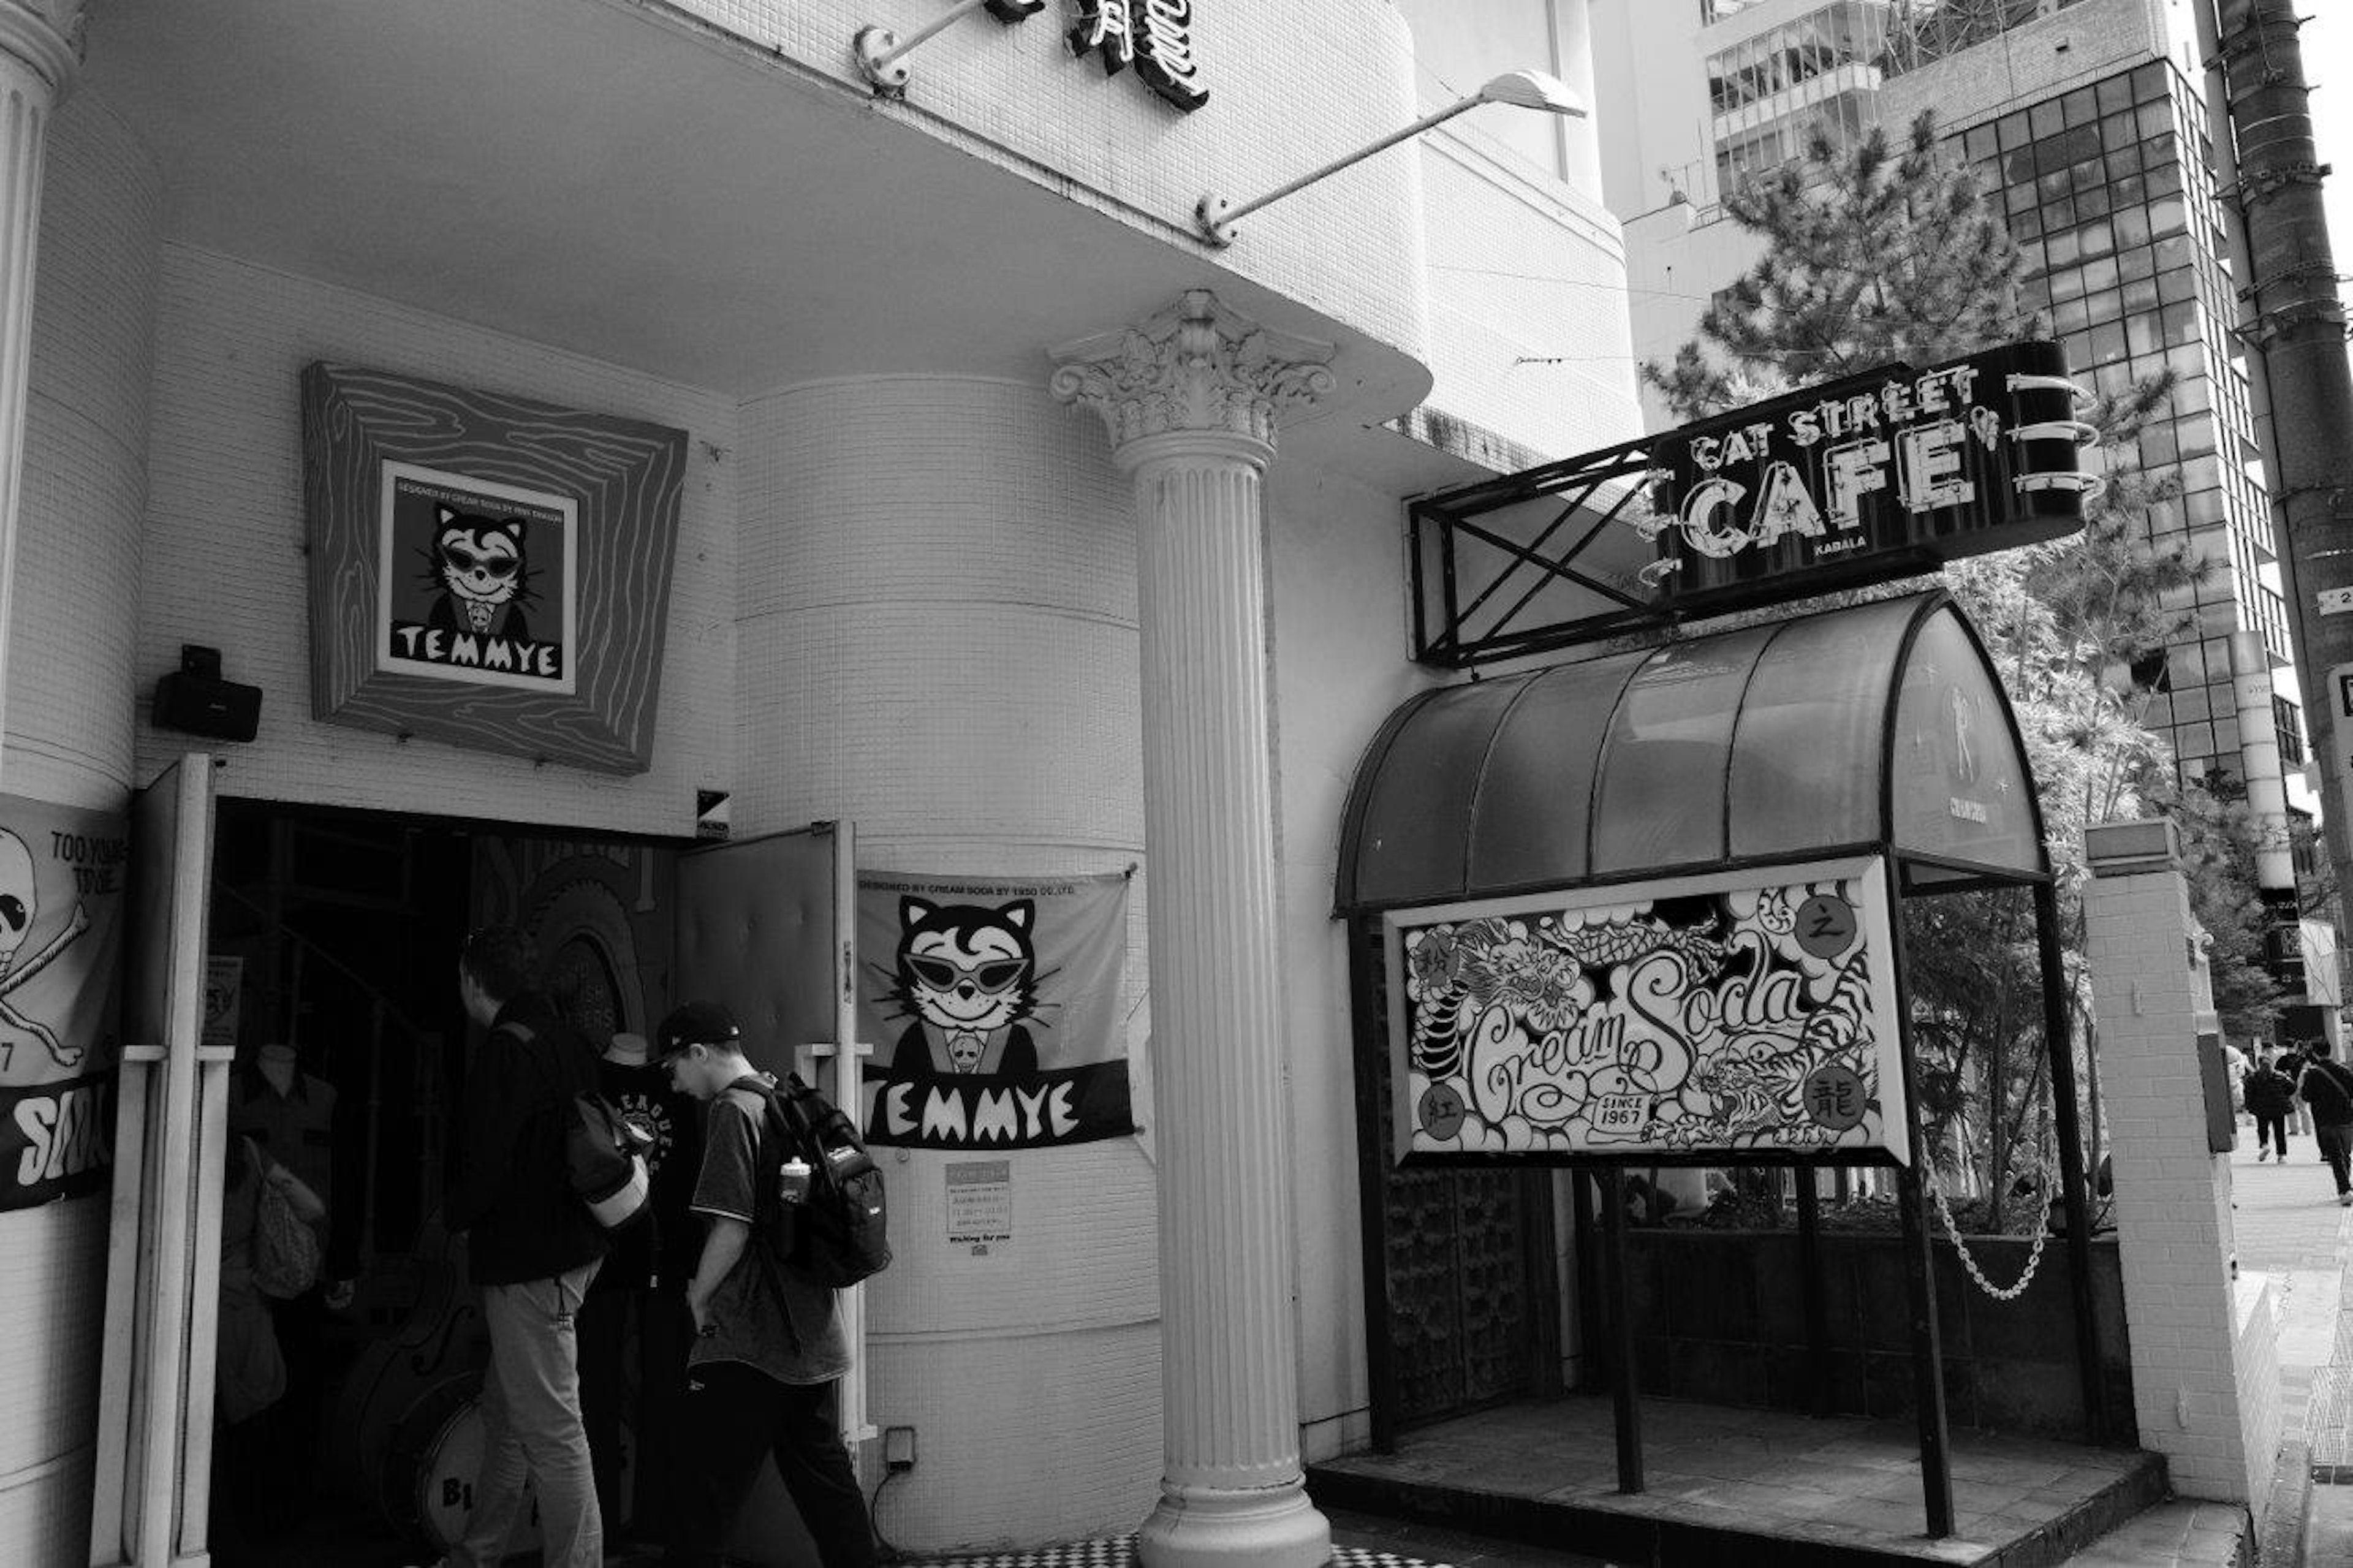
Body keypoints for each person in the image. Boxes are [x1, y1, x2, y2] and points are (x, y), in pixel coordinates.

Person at [653, 1001, 875, 1568]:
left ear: (698, 1053)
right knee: (827, 1488)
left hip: (751, 1338)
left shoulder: (733, 1110)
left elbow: (730, 1225)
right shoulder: (778, 1097)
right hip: (809, 1330)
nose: (674, 1084)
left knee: (700, 1496)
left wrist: (698, 1297)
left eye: (673, 1066)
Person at [420, 926, 610, 1568]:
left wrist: (449, 1218)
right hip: (574, 1251)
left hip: (532, 1263)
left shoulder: (506, 1051)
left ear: (474, 982)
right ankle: (477, 1555)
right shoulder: (570, 1043)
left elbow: (488, 1168)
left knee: (554, 1434)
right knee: (507, 1417)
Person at [2295, 1039, 2353, 1208]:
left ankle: (2344, 1190)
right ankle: (2347, 1184)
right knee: (2346, 1153)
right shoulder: (2344, 1070)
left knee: (2335, 1156)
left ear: (2314, 1053)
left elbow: (2306, 1096)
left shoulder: (2312, 1073)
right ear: (2330, 1051)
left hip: (2325, 1120)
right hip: (2346, 1119)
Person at [2245, 1051, 2296, 1164]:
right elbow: (2292, 1087)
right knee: (2280, 1131)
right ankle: (2281, 1156)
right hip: (2278, 1108)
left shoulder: (2253, 1078)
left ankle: (2265, 1145)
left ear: (2258, 1064)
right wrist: (2284, 1095)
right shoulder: (2281, 1076)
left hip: (2261, 1108)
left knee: (2262, 1129)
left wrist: (2249, 1106)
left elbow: (2248, 1094)